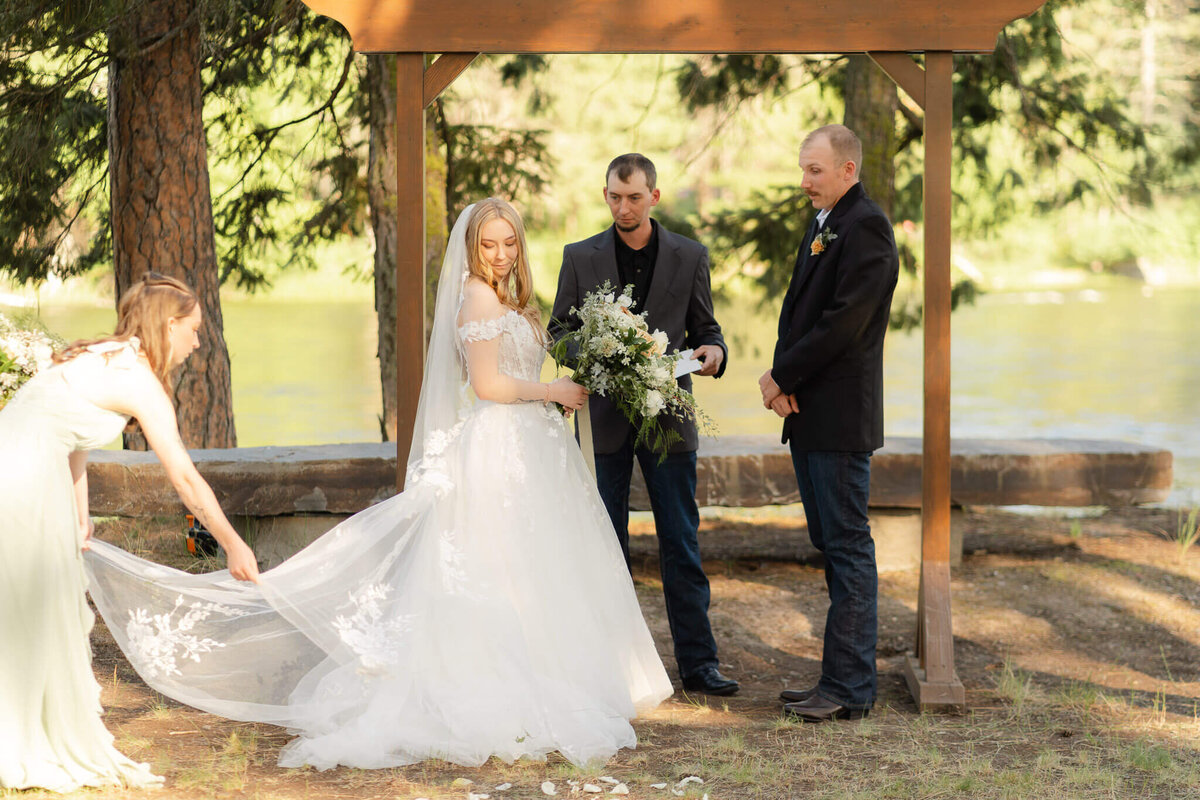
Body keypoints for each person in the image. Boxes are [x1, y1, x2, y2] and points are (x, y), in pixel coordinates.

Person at [83, 198, 674, 771]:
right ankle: (499, 689)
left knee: (532, 565)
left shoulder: (506, 297)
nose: (498, 253)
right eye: (487, 244)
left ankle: (556, 673)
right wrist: (553, 393)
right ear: (472, 247)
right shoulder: (474, 294)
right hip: (500, 443)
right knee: (497, 562)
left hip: (529, 446)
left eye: (508, 242)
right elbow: (490, 386)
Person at [0, 272, 258, 792]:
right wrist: (233, 543)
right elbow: (184, 478)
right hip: (23, 478)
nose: (198, 341)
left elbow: (66, 431)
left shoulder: (103, 354)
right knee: (28, 605)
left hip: (19, 461)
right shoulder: (137, 378)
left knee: (25, 605)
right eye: (194, 329)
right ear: (169, 323)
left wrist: (80, 511)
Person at [551, 154, 738, 697]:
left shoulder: (690, 255)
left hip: (670, 419)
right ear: (605, 194)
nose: (623, 207)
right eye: (614, 196)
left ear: (654, 196)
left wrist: (715, 350)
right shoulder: (579, 256)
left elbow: (707, 328)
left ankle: (699, 666)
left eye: (633, 197)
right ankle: (609, 666)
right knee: (605, 544)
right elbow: (559, 333)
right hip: (602, 420)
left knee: (681, 541)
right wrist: (607, 353)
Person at [759, 125, 899, 722]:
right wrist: (785, 380)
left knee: (847, 548)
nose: (804, 180)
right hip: (809, 412)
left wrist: (781, 375)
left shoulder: (866, 225)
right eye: (802, 168)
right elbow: (801, 313)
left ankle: (848, 691)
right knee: (832, 545)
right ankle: (837, 679)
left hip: (840, 416)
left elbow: (844, 325)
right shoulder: (824, 224)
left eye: (815, 170)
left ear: (847, 170)